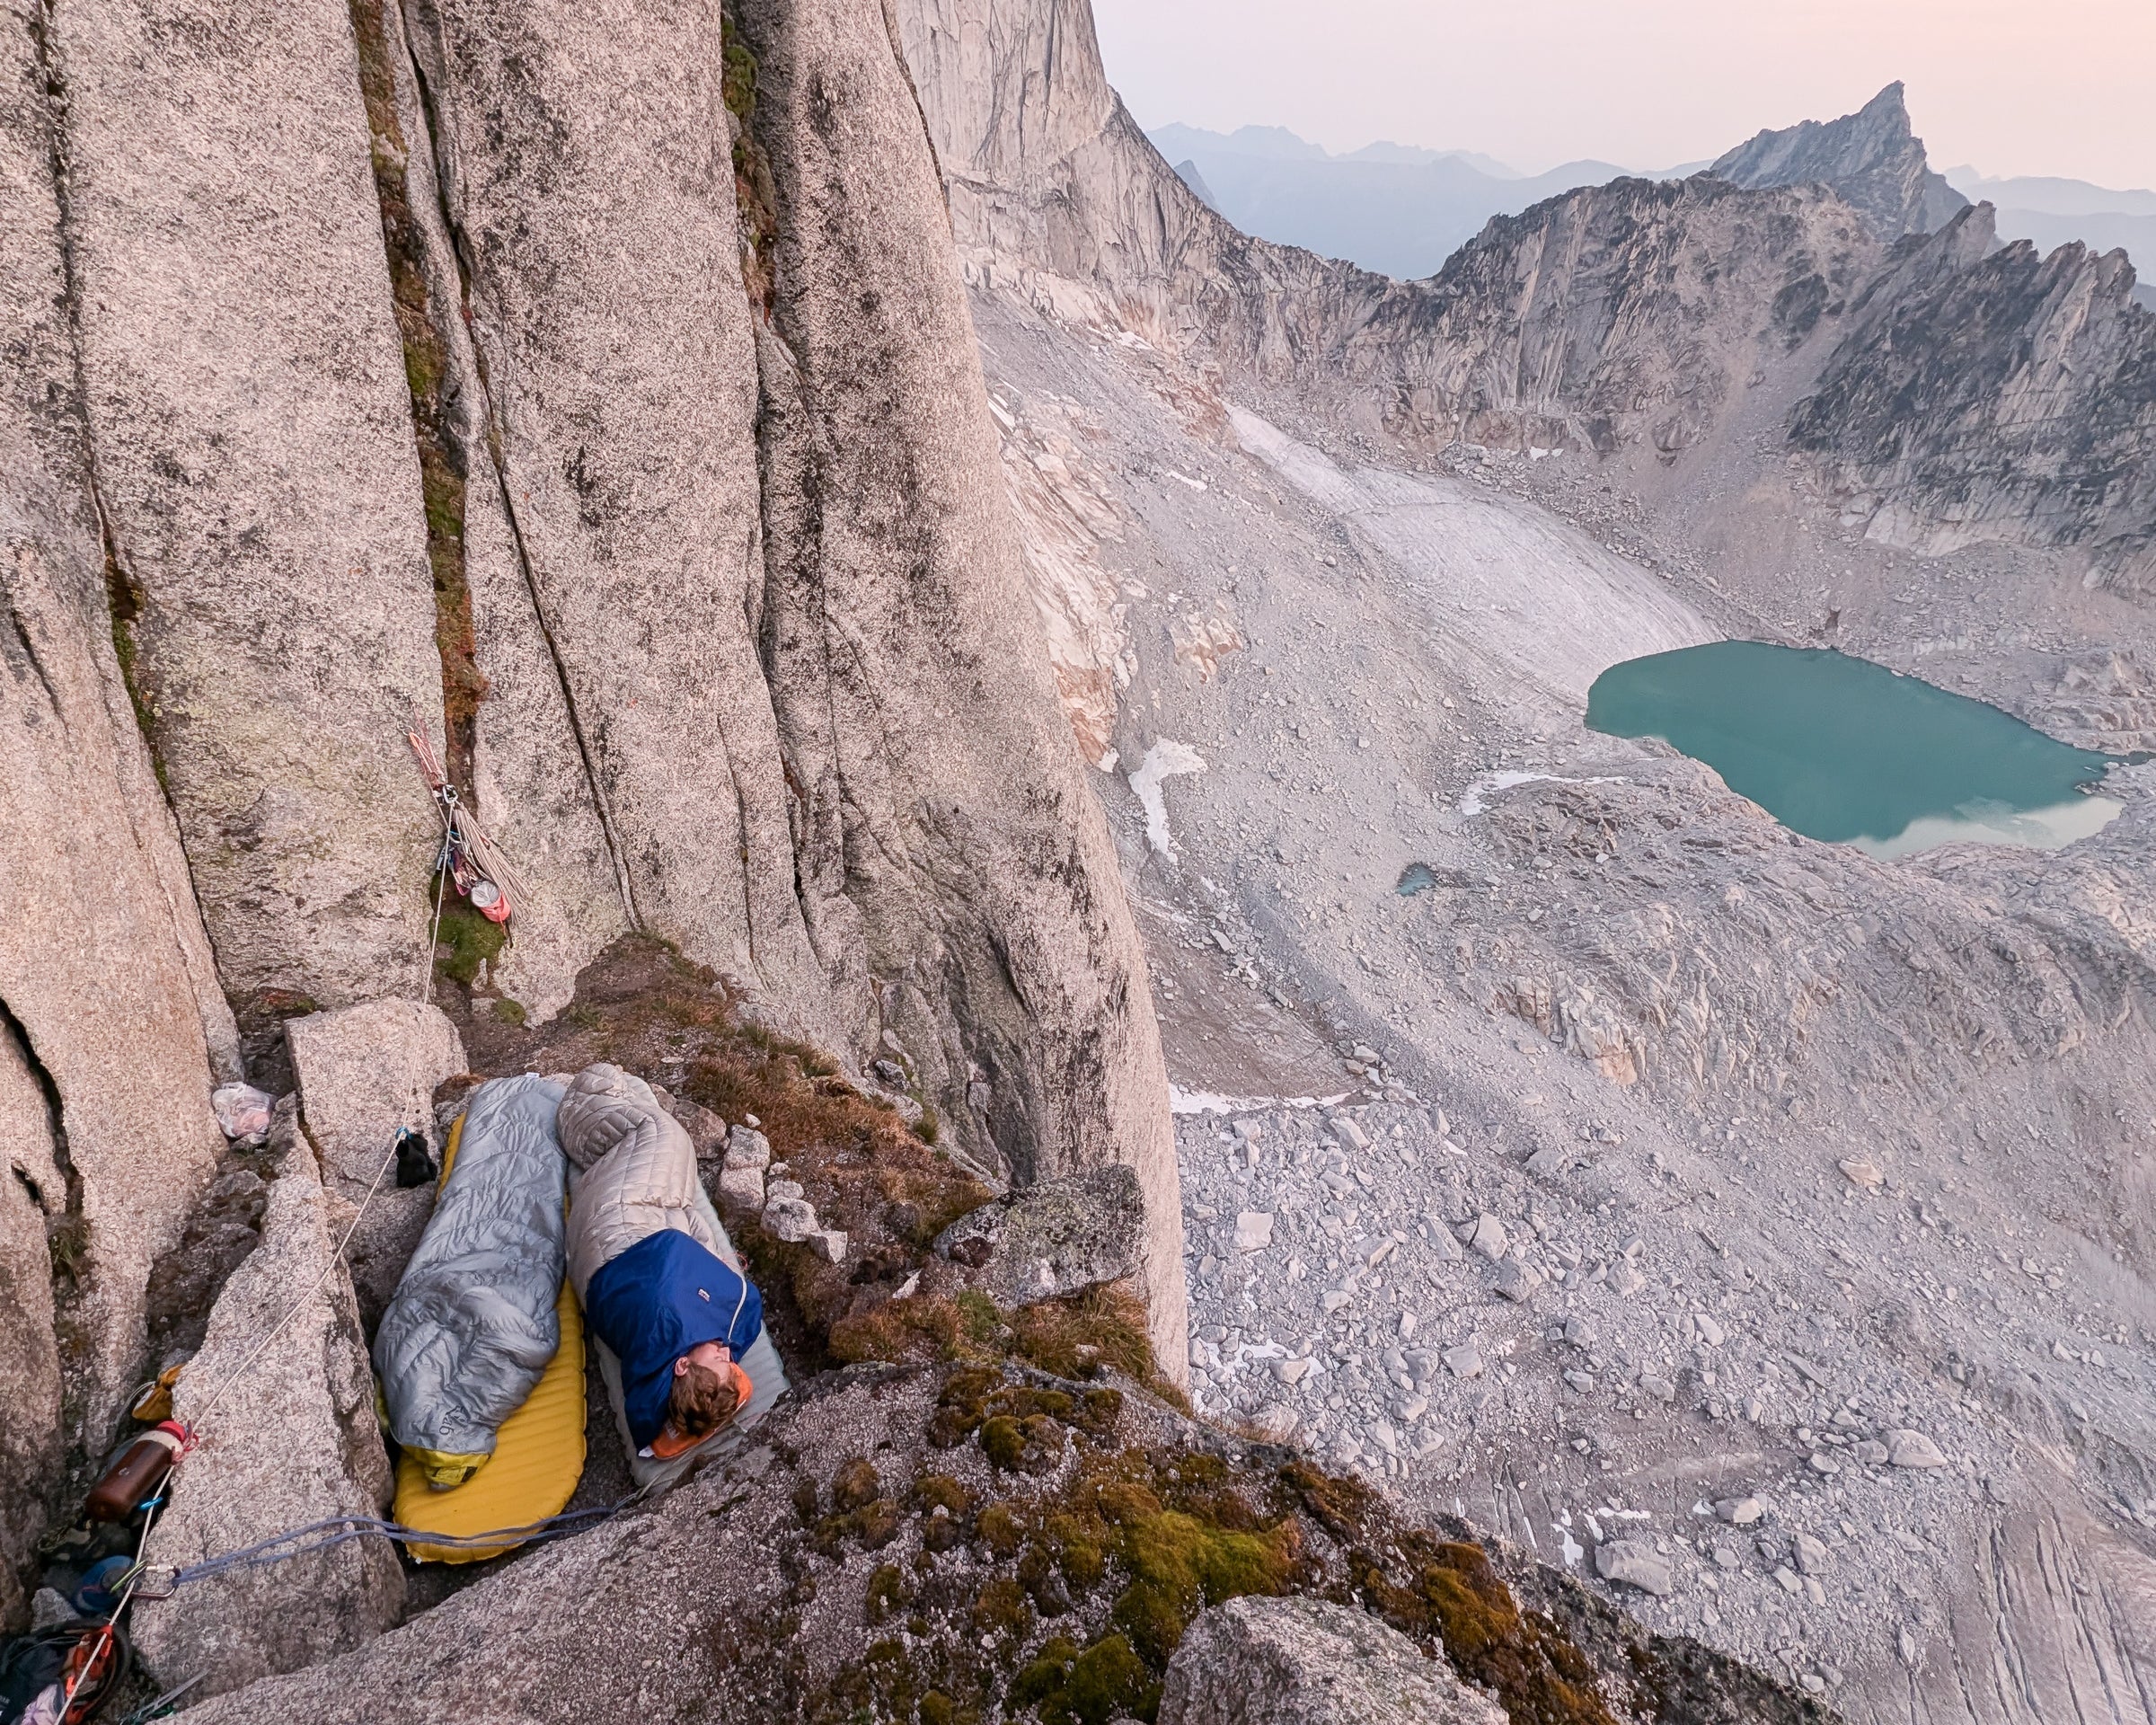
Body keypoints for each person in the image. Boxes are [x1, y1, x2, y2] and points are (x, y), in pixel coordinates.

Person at [556, 1064, 775, 1462]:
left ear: (680, 1367)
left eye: (718, 1360)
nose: (728, 1354)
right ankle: (615, 1102)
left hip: (615, 1224)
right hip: (598, 1262)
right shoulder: (653, 1384)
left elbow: (742, 1301)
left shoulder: (671, 1314)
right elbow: (659, 1428)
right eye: (729, 1362)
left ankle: (593, 1090)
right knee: (678, 1197)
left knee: (665, 1136)